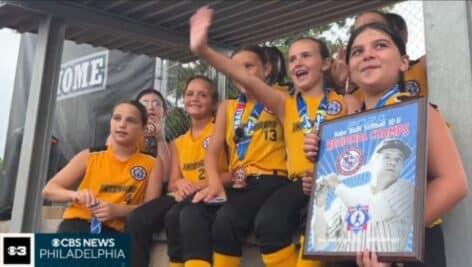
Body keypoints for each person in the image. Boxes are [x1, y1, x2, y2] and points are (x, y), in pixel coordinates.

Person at [189, 6, 360, 267]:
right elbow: (244, 76)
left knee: (318, 224)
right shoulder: (284, 103)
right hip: (297, 184)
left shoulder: (347, 101)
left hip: (335, 181)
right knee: (268, 222)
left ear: (325, 64)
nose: (298, 63)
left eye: (306, 56)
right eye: (292, 59)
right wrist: (204, 50)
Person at [305, 22, 468, 267]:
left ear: (404, 61)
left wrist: (392, 242)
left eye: (380, 46)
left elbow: (454, 184)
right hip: (352, 248)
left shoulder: (422, 112)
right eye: (357, 52)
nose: (368, 54)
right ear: (349, 68)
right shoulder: (344, 128)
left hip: (409, 249)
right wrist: (317, 178)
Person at [125, 76, 228, 267]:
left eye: (202, 95)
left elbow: (232, 173)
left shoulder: (223, 131)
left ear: (214, 104)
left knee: (179, 215)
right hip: (181, 195)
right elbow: (173, 182)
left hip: (209, 193)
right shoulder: (178, 142)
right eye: (190, 94)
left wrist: (199, 185)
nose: (195, 98)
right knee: (137, 218)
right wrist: (180, 183)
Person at [42, 100, 164, 233]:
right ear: (111, 123)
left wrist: (117, 210)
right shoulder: (89, 155)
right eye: (117, 118)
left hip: (116, 233)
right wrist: (74, 195)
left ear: (143, 128)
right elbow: (49, 190)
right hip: (77, 225)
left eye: (131, 120)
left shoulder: (152, 162)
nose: (122, 124)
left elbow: (150, 209)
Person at [312, 139, 414, 253]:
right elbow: (320, 243)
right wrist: (319, 206)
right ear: (373, 161)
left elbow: (377, 210)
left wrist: (337, 186)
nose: (393, 162)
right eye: (387, 157)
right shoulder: (344, 197)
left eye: (398, 159)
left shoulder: (407, 190)